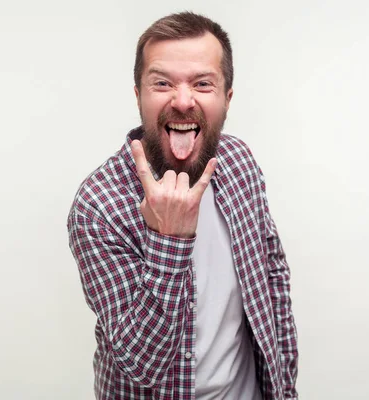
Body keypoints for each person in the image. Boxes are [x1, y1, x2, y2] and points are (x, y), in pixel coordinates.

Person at [68, 11, 298, 400]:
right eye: (162, 83)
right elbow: (143, 365)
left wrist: (284, 389)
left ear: (227, 98)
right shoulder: (98, 206)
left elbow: (272, 277)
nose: (183, 100)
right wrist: (169, 239)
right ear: (138, 94)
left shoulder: (238, 161)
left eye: (203, 83)